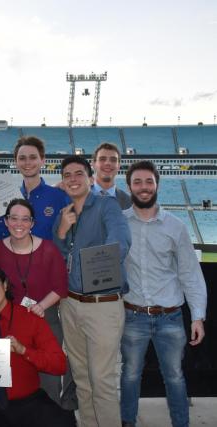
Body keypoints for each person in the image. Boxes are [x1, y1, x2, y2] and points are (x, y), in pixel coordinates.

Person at [120, 161, 207, 427]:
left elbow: (190, 274)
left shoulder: (176, 226)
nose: (143, 187)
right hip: (132, 316)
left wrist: (197, 317)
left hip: (170, 318)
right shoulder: (119, 223)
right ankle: (127, 423)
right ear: (129, 186)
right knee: (130, 376)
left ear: (157, 184)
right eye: (138, 182)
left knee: (175, 377)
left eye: (149, 182)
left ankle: (181, 423)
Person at [53, 155, 131, 427]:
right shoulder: (65, 214)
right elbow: (59, 259)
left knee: (102, 380)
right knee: (83, 378)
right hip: (71, 305)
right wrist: (62, 232)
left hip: (102, 304)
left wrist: (99, 266)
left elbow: (120, 241)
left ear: (90, 178)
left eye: (78, 174)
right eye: (67, 175)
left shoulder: (106, 206)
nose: (72, 179)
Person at [0, 199, 75, 422]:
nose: (19, 223)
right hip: (10, 325)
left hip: (44, 320)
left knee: (48, 381)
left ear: (32, 223)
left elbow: (60, 287)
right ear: (5, 221)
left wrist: (41, 306)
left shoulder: (48, 249)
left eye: (25, 219)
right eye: (13, 218)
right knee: (15, 381)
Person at [0, 263, 67, 427]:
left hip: (28, 401)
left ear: (4, 285)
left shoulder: (31, 319)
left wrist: (24, 350)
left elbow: (59, 365)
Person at [0, 135, 69, 240]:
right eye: (22, 158)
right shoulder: (7, 197)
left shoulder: (59, 196)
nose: (27, 162)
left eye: (33, 157)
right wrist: (0, 217)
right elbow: (3, 237)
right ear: (16, 162)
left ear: (43, 160)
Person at [91, 142, 132, 209]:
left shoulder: (129, 202)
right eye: (102, 159)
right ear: (94, 164)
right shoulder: (79, 196)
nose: (108, 163)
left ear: (118, 166)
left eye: (113, 160)